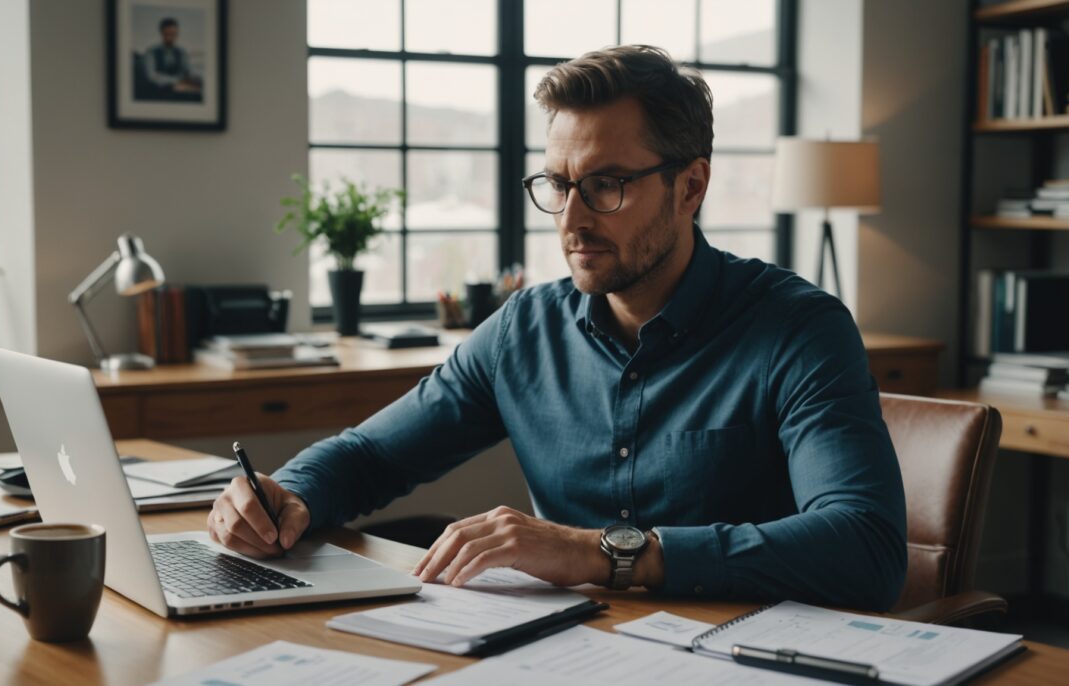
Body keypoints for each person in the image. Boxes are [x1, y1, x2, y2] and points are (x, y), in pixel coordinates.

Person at [208, 45, 907, 611]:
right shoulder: (524, 330)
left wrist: (601, 552)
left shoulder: (799, 330)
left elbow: (864, 548)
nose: (571, 219)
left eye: (606, 185)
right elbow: (373, 457)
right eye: (557, 184)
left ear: (690, 187)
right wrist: (287, 494)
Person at [141, 17, 200, 98]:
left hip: (179, 89)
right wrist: (177, 80)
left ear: (177, 34)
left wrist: (195, 77)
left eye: (174, 34)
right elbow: (152, 76)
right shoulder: (151, 52)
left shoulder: (181, 52)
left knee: (198, 91)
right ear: (161, 33)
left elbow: (189, 70)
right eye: (167, 34)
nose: (170, 37)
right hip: (158, 90)